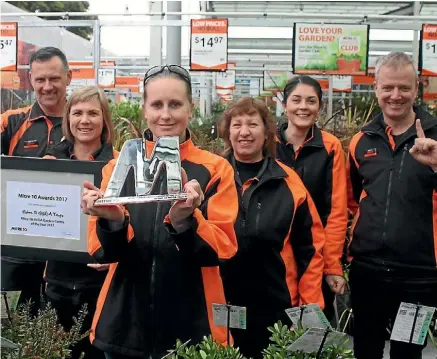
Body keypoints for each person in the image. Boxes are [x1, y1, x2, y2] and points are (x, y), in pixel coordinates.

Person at [81, 65, 239, 359]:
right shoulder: (117, 168)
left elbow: (223, 250)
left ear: (190, 109)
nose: (165, 115)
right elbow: (101, 251)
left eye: (175, 104)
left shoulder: (215, 170)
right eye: (157, 105)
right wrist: (113, 221)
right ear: (144, 110)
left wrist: (185, 222)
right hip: (123, 326)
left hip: (193, 328)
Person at [346, 52, 437, 359]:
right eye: (388, 87)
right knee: (365, 348)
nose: (395, 96)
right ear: (376, 88)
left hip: (420, 275)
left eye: (404, 87)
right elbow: (352, 200)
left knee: (408, 352)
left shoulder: (436, 140)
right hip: (367, 270)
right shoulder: (361, 141)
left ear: (417, 87)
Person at [219, 97, 325, 359]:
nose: (244, 132)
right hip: (219, 305)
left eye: (253, 124)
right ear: (227, 131)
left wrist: (307, 312)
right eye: (237, 124)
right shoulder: (212, 178)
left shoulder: (289, 183)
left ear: (266, 132)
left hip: (274, 308)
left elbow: (310, 251)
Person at [43, 86, 117, 359]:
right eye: (78, 113)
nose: (85, 120)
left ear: (104, 120)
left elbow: (133, 224)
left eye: (93, 113)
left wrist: (117, 254)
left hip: (101, 282)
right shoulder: (49, 162)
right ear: (68, 119)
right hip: (57, 282)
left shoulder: (119, 165)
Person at [1, 46, 72, 314]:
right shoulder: (11, 122)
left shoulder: (84, 122)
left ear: (69, 77)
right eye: (40, 79)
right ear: (30, 79)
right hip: (15, 253)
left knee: (64, 332)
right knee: (7, 324)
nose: (47, 86)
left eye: (54, 78)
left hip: (67, 254)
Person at [276, 76, 348, 321]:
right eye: (296, 100)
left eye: (311, 101)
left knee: (313, 326)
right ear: (285, 104)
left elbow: (337, 210)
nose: (303, 107)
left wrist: (331, 266)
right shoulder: (267, 144)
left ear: (319, 107)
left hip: (315, 252)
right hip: (275, 251)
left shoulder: (330, 147)